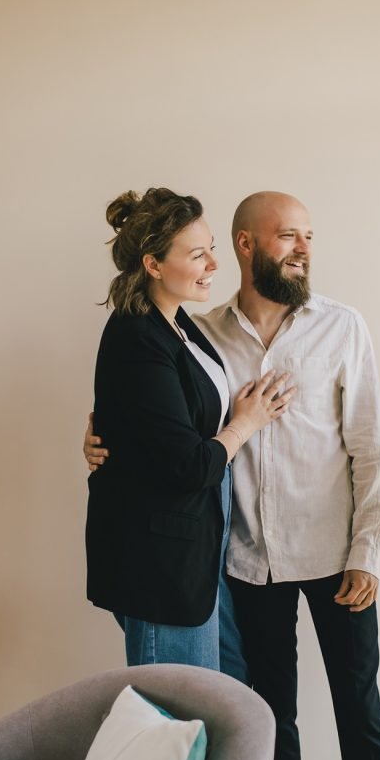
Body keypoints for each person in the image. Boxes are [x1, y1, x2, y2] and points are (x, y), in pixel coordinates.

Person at [86, 191, 380, 760]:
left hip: (338, 556)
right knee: (268, 719)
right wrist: (103, 440)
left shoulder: (343, 327)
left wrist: (369, 551)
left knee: (361, 714)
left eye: (308, 235)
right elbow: (161, 423)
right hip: (246, 565)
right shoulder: (201, 334)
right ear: (246, 244)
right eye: (288, 235)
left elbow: (372, 447)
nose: (305, 249)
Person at [85, 187, 293, 678]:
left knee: (227, 691)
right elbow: (188, 465)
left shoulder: (180, 323)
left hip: (198, 549)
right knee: (178, 721)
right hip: (162, 561)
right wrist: (248, 422)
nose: (214, 265)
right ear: (153, 264)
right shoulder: (136, 336)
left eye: (212, 248)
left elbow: (161, 426)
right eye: (197, 254)